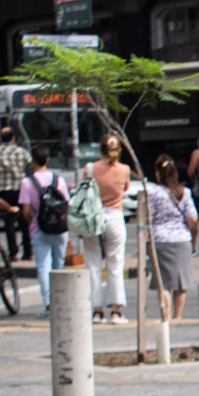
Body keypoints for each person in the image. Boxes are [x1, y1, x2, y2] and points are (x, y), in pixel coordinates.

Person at [79, 133, 132, 324]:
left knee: (93, 264)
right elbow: (125, 189)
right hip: (115, 217)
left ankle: (97, 310)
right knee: (116, 264)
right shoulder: (124, 169)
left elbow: (83, 190)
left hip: (94, 216)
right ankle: (116, 311)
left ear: (99, 149)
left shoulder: (90, 168)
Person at [20, 145, 75, 314]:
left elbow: (26, 212)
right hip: (60, 229)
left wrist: (32, 223)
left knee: (43, 267)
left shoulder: (27, 182)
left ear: (32, 160)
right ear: (47, 160)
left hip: (39, 229)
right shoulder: (58, 180)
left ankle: (49, 304)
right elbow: (67, 203)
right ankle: (61, 301)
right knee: (59, 265)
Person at [144, 153, 196, 325]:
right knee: (180, 282)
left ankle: (165, 317)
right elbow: (193, 218)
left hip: (159, 239)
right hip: (181, 239)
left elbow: (148, 219)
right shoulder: (184, 192)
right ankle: (177, 317)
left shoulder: (153, 193)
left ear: (158, 173)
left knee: (163, 282)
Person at [0, 120, 32, 255]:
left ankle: (13, 253)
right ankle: (28, 252)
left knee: (9, 223)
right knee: (24, 222)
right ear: (13, 138)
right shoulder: (22, 152)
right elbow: (31, 167)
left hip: (5, 192)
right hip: (22, 190)